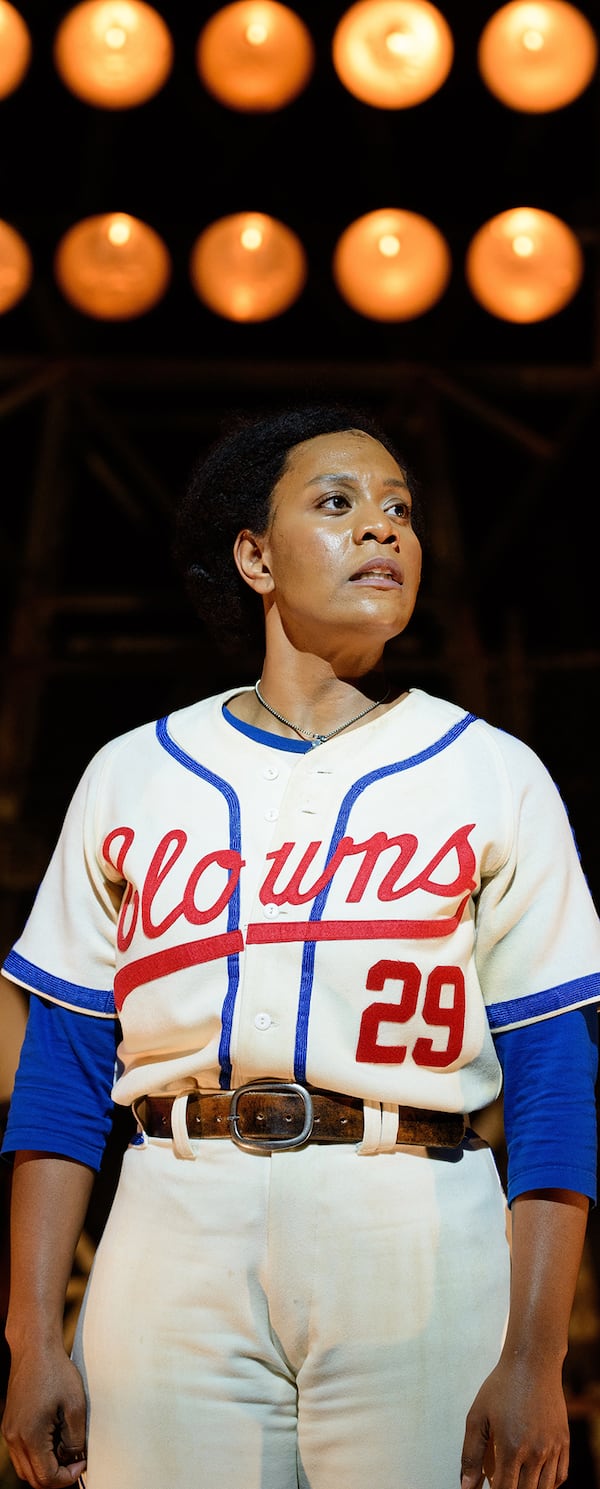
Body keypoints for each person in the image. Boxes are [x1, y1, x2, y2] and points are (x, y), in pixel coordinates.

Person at [1, 401, 599, 1489]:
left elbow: (557, 1075)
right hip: (171, 1209)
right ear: (254, 556)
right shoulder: (135, 769)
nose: (383, 530)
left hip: (413, 1208)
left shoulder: (493, 769)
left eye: (401, 511)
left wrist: (534, 1351)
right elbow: (63, 1069)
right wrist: (33, 1335)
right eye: (339, 503)